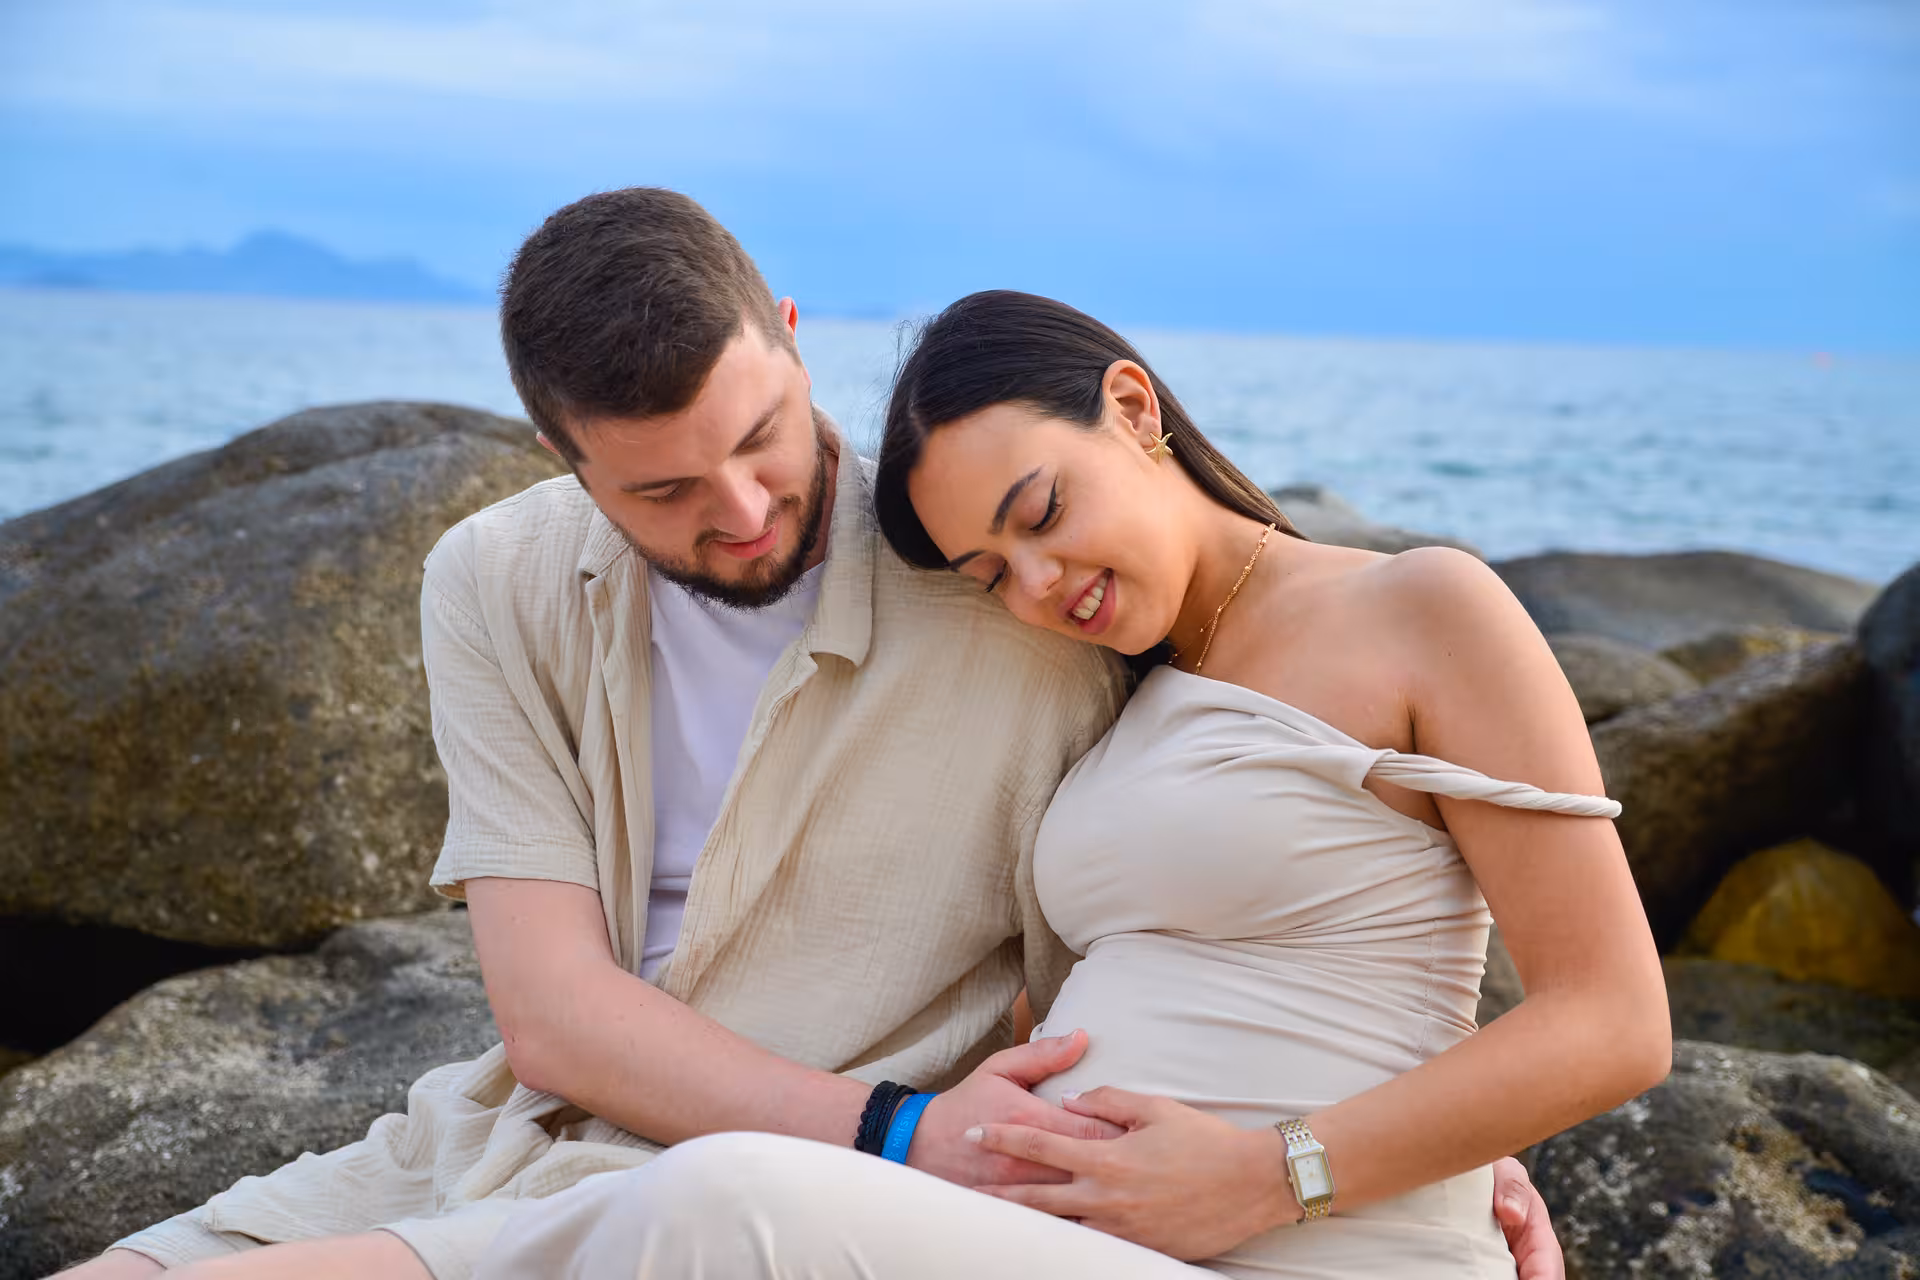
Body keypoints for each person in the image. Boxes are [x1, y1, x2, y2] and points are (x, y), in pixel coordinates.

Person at [63, 192, 1566, 1280]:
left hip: (829, 1196)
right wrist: (912, 1132)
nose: (741, 509)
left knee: (700, 1213)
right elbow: (554, 1020)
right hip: (549, 1135)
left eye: (761, 437)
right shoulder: (498, 579)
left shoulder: (992, 570)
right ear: (558, 459)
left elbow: (1339, 840)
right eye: (661, 492)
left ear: (791, 338)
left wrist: (1407, 1152)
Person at [468, 290, 1670, 1278]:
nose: (1041, 584)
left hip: (1306, 1247)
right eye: (990, 573)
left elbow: (1612, 1019)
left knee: (712, 1205)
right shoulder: (1120, 695)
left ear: (1133, 405)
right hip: (1075, 1238)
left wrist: (1284, 1167)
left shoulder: (1420, 606)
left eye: (1041, 510)